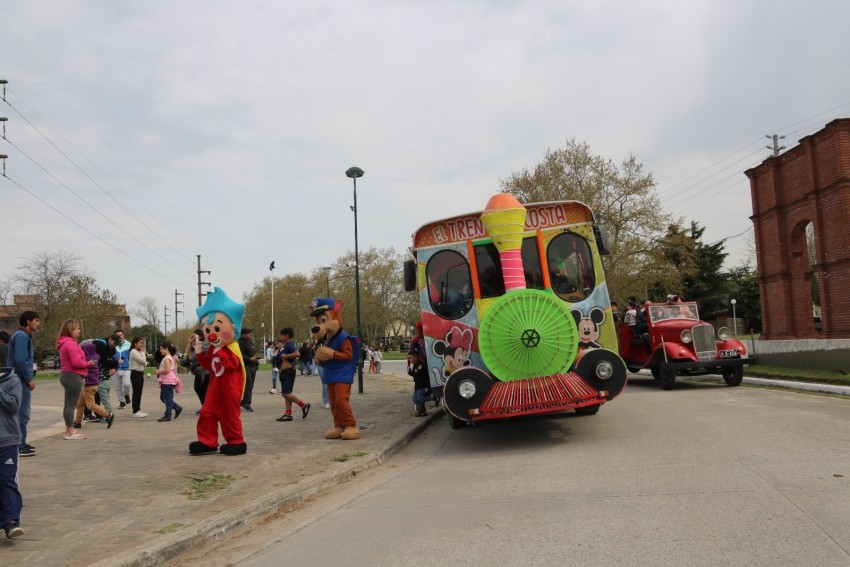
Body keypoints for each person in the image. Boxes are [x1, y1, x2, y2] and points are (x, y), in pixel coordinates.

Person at [8, 311, 40, 457]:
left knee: (22, 412)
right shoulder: (21, 336)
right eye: (36, 320)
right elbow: (21, 359)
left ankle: (22, 441)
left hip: (19, 378)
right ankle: (19, 445)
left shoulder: (22, 336)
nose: (38, 323)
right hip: (20, 379)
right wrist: (28, 378)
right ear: (28, 321)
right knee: (22, 412)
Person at [56, 319, 93, 440]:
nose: (79, 330)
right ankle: (70, 431)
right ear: (71, 330)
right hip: (73, 376)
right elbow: (76, 362)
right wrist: (88, 363)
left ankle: (69, 429)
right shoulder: (71, 344)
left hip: (67, 375)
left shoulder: (65, 343)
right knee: (71, 405)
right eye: (77, 328)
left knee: (68, 405)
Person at [0, 365, 24, 539]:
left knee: (7, 480)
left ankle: (11, 521)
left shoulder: (12, 380)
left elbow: (13, 405)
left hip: (7, 440)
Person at [73, 343, 115, 429]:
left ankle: (108, 415)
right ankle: (77, 422)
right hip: (93, 384)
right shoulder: (96, 356)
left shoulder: (87, 359)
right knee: (80, 403)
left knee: (90, 404)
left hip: (89, 385)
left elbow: (80, 364)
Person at [275, 327, 310, 422]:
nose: (281, 337)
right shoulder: (285, 345)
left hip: (288, 372)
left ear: (286, 336)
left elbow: (297, 354)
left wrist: (286, 356)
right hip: (284, 372)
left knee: (285, 394)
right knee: (287, 393)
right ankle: (288, 414)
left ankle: (303, 404)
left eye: (282, 335)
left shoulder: (289, 345)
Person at [155, 343, 183, 422]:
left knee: (167, 399)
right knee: (163, 398)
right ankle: (177, 408)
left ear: (166, 348)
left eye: (161, 349)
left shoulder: (167, 358)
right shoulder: (168, 357)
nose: (160, 351)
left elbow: (167, 370)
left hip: (168, 381)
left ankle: (168, 415)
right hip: (166, 380)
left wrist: (158, 372)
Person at [408, 322, 431, 416]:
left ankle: (421, 409)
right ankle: (421, 409)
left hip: (429, 361)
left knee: (420, 394)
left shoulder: (429, 336)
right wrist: (409, 366)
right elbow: (410, 351)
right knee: (416, 397)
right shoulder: (417, 339)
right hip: (423, 360)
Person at [187, 330, 209, 415]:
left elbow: (202, 352)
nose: (193, 338)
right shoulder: (195, 344)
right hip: (198, 371)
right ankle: (205, 406)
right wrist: (190, 343)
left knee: (203, 390)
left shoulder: (205, 343)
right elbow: (188, 352)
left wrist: (197, 342)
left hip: (204, 371)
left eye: (195, 336)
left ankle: (206, 407)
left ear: (200, 336)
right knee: (198, 388)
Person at [237, 328, 258, 413]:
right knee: (248, 385)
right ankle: (246, 403)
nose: (250, 335)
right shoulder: (240, 343)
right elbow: (240, 355)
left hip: (252, 366)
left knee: (250, 385)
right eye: (248, 333)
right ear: (243, 334)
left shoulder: (249, 343)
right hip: (246, 366)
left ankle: (243, 402)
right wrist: (249, 359)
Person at [128, 337, 148, 417]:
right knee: (136, 392)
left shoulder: (137, 352)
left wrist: (143, 359)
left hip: (140, 373)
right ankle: (135, 411)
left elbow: (145, 364)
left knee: (139, 392)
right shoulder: (133, 352)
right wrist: (143, 353)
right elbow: (143, 361)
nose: (141, 345)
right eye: (140, 343)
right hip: (136, 373)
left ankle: (138, 409)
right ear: (135, 344)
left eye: (142, 343)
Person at [113, 330, 131, 409]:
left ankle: (126, 395)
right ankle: (122, 401)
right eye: (117, 335)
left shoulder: (129, 344)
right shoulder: (113, 345)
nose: (119, 336)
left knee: (126, 384)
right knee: (117, 387)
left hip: (126, 368)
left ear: (123, 335)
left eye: (121, 334)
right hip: (115, 368)